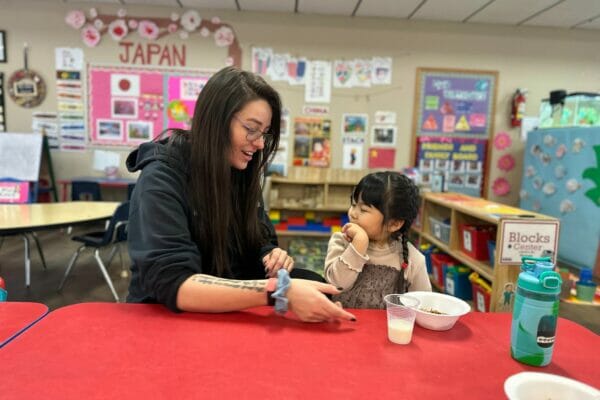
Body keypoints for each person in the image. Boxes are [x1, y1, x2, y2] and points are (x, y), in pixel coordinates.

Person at [126, 66, 355, 323]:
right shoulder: (162, 177)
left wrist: (270, 256)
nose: (259, 144)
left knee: (314, 284)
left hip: (224, 306)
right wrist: (278, 291)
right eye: (251, 128)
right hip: (167, 316)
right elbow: (174, 282)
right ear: (215, 120)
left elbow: (256, 239)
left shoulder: (238, 169)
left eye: (264, 133)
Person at [324, 171, 431, 309]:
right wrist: (358, 244)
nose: (353, 213)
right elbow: (336, 285)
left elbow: (423, 306)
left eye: (363, 209)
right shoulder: (341, 240)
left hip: (384, 329)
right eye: (353, 204)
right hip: (343, 325)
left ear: (394, 224)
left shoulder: (412, 259)